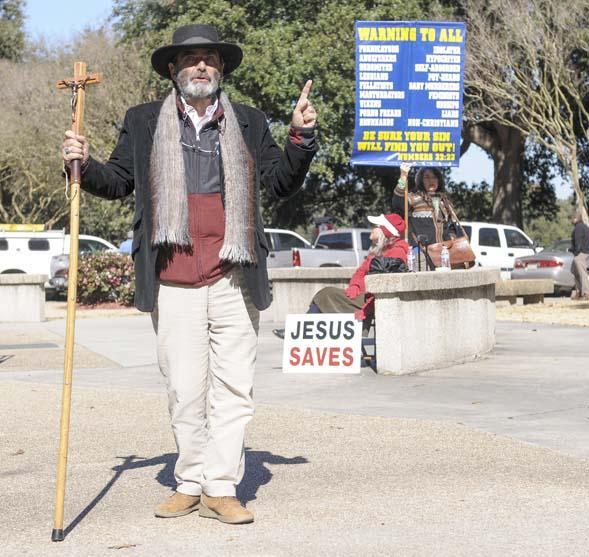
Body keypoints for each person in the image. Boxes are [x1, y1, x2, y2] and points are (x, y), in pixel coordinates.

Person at [61, 24, 317, 524]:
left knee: (234, 388)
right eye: (191, 58)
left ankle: (221, 487)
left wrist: (301, 137)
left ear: (220, 70)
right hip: (173, 276)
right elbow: (117, 183)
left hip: (233, 274)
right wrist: (83, 163)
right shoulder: (142, 122)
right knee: (184, 388)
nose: (201, 65)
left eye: (210, 58)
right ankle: (189, 480)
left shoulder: (247, 121)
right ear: (174, 70)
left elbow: (280, 182)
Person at [272, 214, 409, 338]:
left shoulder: (396, 252)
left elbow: (384, 285)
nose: (371, 228)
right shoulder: (378, 250)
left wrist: (364, 304)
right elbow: (360, 272)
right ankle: (302, 331)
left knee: (326, 293)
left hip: (372, 299)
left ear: (385, 231)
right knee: (325, 294)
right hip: (361, 294)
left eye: (375, 226)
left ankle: (299, 331)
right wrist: (355, 285)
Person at [391, 163, 462, 247]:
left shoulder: (445, 201)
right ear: (421, 180)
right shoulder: (413, 198)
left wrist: (451, 238)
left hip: (443, 252)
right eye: (427, 177)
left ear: (438, 180)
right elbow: (397, 203)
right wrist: (403, 177)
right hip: (421, 253)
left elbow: (452, 226)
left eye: (434, 177)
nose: (431, 180)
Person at [569, 210, 589, 300]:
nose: (571, 221)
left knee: (582, 273)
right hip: (584, 252)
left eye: (572, 219)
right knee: (574, 271)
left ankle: (586, 293)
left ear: (576, 218)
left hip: (580, 253)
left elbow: (578, 242)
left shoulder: (578, 228)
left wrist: (575, 252)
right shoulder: (585, 227)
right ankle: (578, 292)